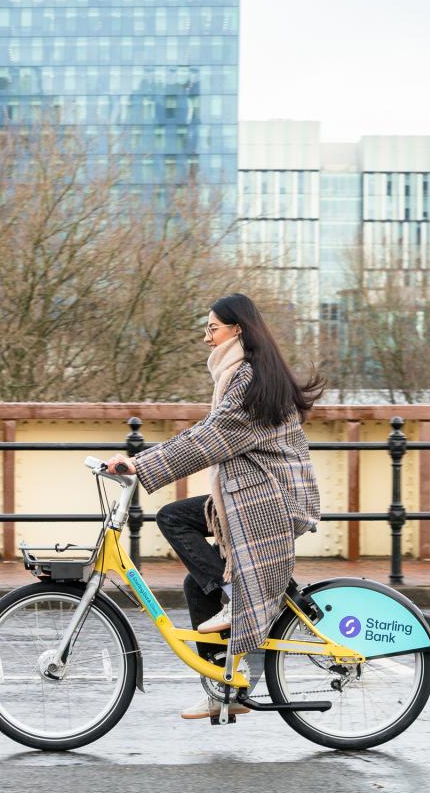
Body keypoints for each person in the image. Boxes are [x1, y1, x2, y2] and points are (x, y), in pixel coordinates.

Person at [103, 293, 323, 720]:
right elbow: (207, 430)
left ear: (236, 329)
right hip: (249, 493)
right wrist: (141, 459)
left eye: (212, 328)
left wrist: (141, 464)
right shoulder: (241, 374)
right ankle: (225, 689)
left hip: (271, 499)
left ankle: (239, 598)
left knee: (172, 517)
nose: (206, 337)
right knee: (194, 584)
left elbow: (210, 439)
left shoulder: (249, 379)